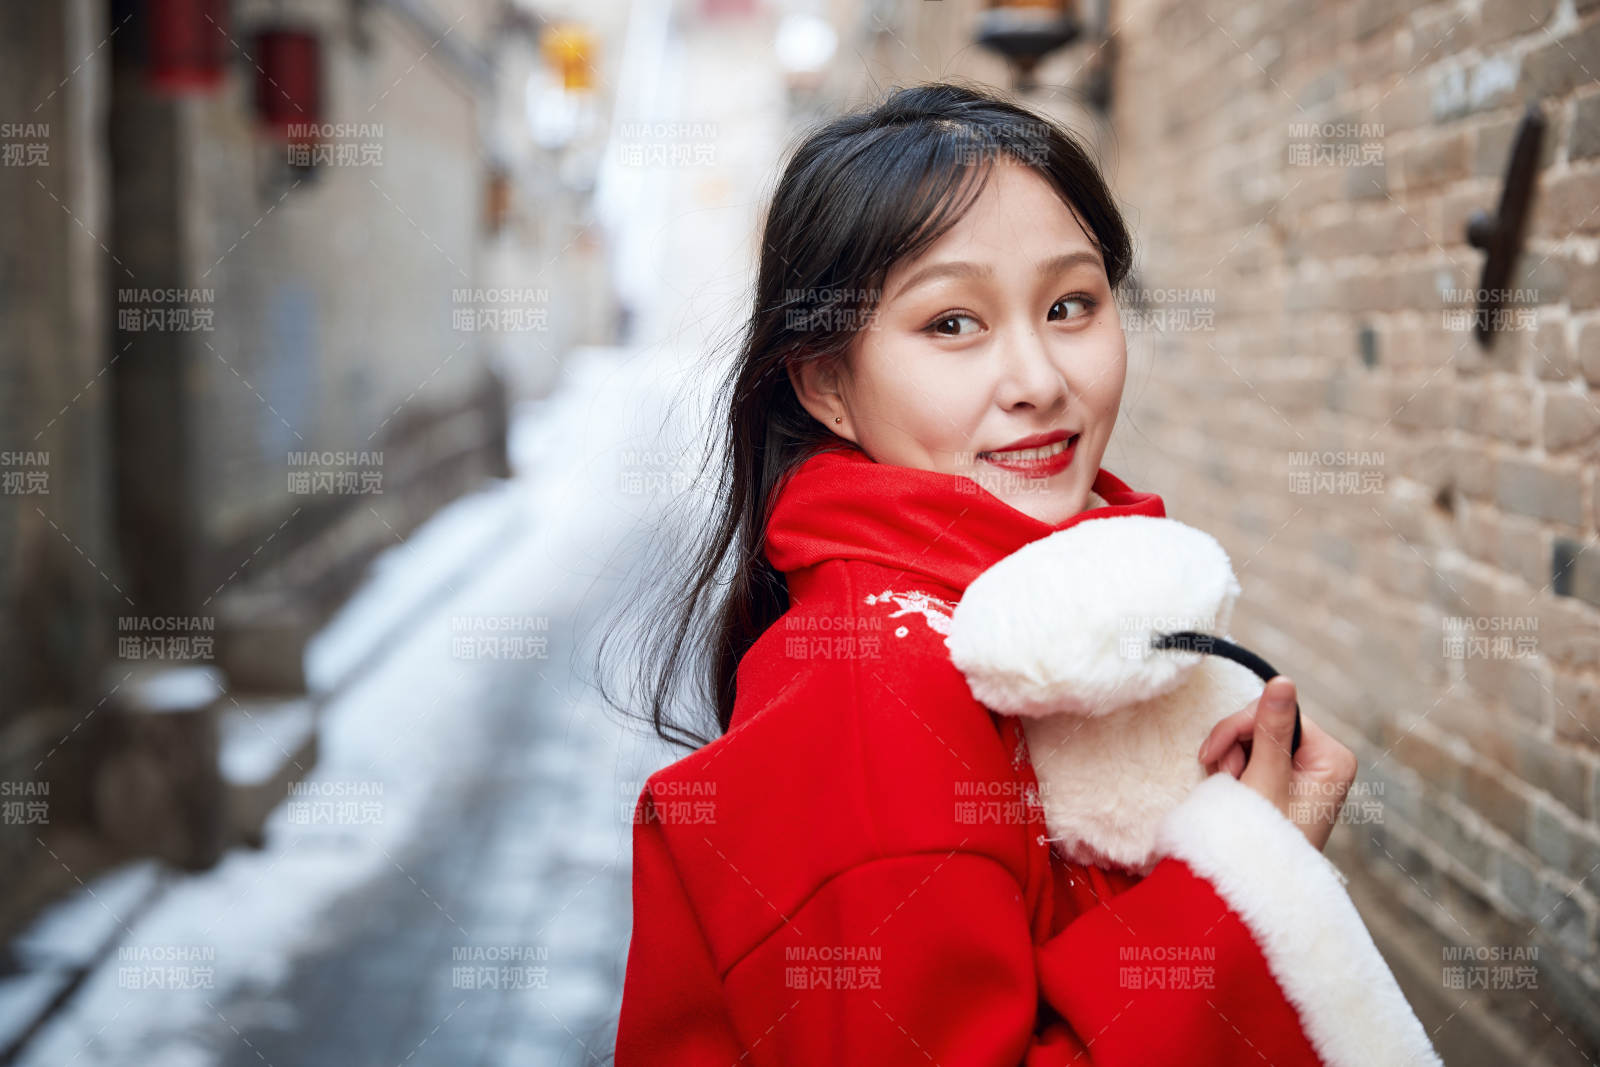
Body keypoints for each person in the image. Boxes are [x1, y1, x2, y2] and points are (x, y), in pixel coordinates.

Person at [608, 81, 1443, 1066]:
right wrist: (1239, 874)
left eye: (1068, 305)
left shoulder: (1048, 623)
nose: (1039, 380)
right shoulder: (875, 688)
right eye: (952, 324)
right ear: (827, 382)